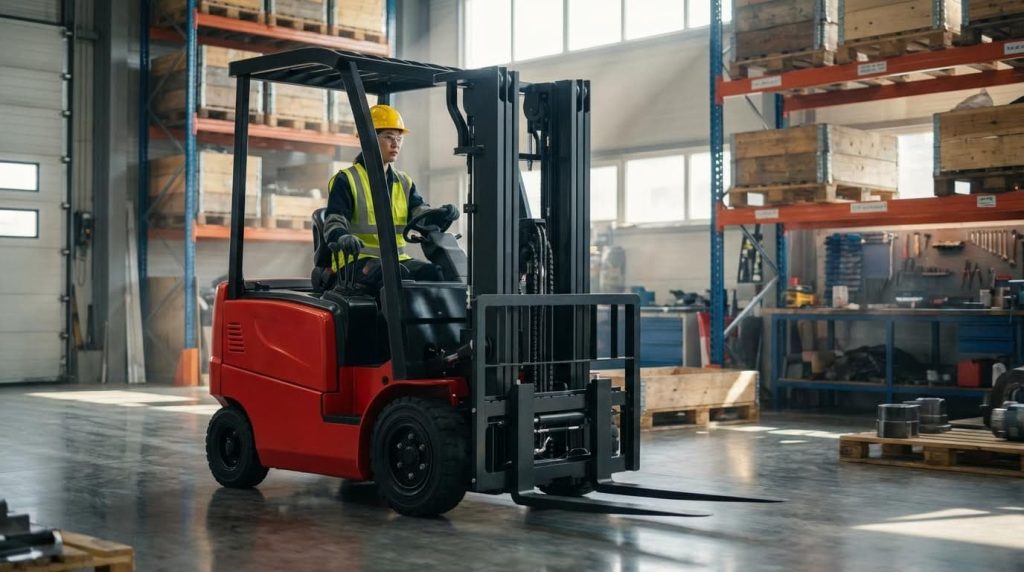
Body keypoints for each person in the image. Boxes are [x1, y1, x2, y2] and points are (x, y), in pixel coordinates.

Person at [324, 104, 460, 287]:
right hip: (355, 261)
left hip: (396, 260)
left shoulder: (404, 181)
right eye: (388, 137)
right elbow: (334, 220)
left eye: (399, 138)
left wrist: (442, 214)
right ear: (368, 139)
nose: (396, 144)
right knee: (394, 276)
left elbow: (420, 214)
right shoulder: (346, 180)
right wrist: (343, 237)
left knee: (437, 274)